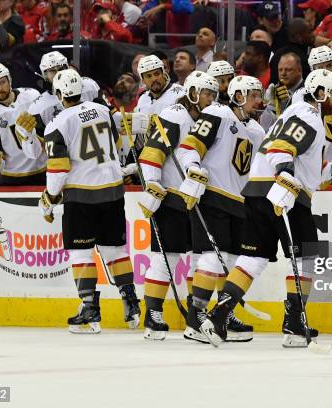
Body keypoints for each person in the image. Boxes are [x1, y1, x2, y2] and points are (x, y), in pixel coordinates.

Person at [198, 69, 332, 348]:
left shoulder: (292, 114)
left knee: (252, 260)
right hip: (285, 194)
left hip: (257, 191)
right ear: (319, 93)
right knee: (309, 259)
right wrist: (284, 174)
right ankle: (294, 324)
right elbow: (282, 149)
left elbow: (310, 165)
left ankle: (218, 315)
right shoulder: (308, 115)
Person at [39, 69, 140, 334]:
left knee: (81, 253)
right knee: (115, 251)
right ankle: (131, 304)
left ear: (60, 94)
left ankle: (89, 310)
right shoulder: (103, 110)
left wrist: (50, 196)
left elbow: (58, 168)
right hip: (113, 190)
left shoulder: (57, 123)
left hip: (82, 196)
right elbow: (116, 144)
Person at [176, 75, 265, 343]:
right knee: (212, 258)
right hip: (212, 195)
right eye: (253, 95)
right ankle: (196, 318)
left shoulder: (258, 131)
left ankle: (222, 318)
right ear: (238, 96)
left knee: (232, 263)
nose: (259, 101)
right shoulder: (218, 113)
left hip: (239, 202)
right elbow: (189, 146)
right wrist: (192, 168)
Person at [137, 71, 219, 340]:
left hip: (194, 198)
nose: (211, 99)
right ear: (193, 93)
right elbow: (151, 153)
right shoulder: (175, 114)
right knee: (166, 258)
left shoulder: (204, 118)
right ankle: (153, 314)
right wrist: (152, 185)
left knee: (199, 257)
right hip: (170, 196)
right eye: (207, 93)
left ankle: (197, 316)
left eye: (214, 94)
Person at [0, 62, 45, 185]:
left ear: (10, 80)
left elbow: (46, 134)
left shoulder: (32, 96)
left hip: (43, 170)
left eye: (2, 82)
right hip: (13, 178)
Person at [261, 52, 304, 131]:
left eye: (288, 70)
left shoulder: (308, 92)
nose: (283, 73)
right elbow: (265, 128)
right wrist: (272, 106)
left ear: (299, 71)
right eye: (280, 70)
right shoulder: (274, 91)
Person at [135, 55, 186, 121]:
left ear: (163, 73)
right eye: (149, 76)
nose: (154, 79)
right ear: (143, 81)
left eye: (157, 74)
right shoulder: (142, 99)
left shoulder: (180, 93)